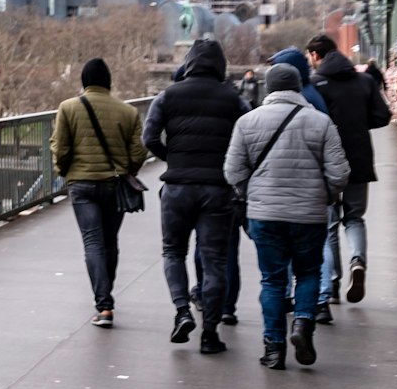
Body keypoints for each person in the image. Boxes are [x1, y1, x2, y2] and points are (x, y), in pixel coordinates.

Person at [224, 64, 350, 370]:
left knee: (272, 281)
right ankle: (303, 324)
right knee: (307, 273)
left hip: (264, 213)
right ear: (297, 87)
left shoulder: (247, 121)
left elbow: (233, 172)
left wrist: (251, 194)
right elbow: (340, 172)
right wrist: (326, 197)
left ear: (268, 88)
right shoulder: (321, 122)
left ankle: (273, 349)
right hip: (309, 214)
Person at [142, 39, 245, 354]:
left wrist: (172, 158)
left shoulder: (168, 95)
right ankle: (210, 334)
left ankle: (182, 310)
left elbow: (149, 137)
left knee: (173, 252)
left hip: (177, 187)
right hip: (217, 188)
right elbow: (249, 137)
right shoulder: (233, 98)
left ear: (188, 63)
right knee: (215, 261)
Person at [52, 58, 146, 328]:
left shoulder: (68, 108)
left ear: (83, 81)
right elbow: (139, 152)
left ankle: (104, 305)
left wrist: (65, 171)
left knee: (92, 242)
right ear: (109, 82)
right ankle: (105, 296)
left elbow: (60, 148)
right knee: (109, 241)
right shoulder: (127, 112)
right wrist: (127, 169)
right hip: (114, 184)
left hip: (82, 184)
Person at [306, 33, 393, 311]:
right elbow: (383, 116)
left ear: (316, 56)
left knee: (329, 223)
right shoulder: (365, 81)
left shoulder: (315, 83)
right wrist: (357, 123)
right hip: (358, 158)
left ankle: (331, 285)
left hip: (326, 161)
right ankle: (358, 259)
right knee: (354, 218)